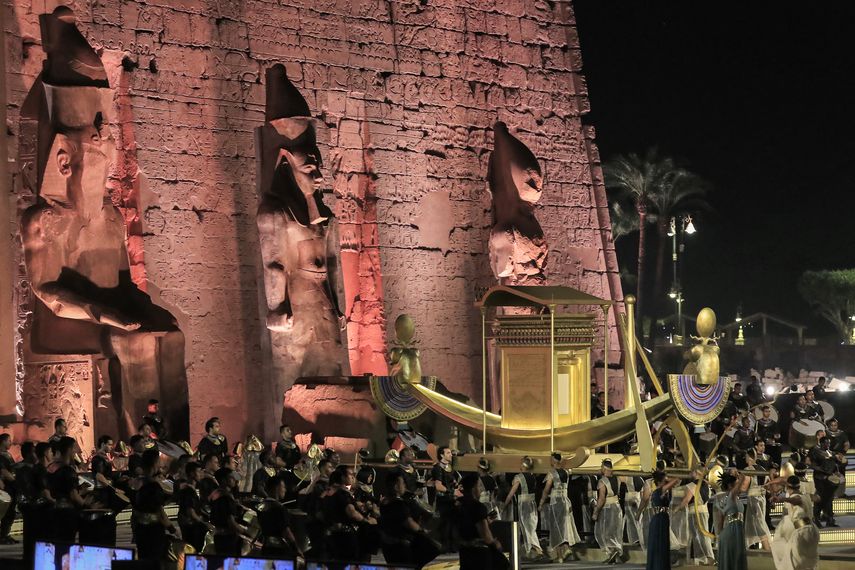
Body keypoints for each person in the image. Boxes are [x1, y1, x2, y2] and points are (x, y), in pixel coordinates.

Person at [379, 471, 440, 568]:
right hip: (401, 546)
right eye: (402, 483)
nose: (404, 485)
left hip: (387, 545)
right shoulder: (399, 504)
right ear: (396, 487)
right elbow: (409, 523)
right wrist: (423, 531)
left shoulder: (384, 502)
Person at [322, 465, 376, 563]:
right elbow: (352, 513)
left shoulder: (329, 492)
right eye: (350, 474)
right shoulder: (342, 494)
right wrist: (366, 521)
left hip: (332, 534)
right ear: (343, 477)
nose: (353, 477)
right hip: (345, 536)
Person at [457, 473, 509, 570]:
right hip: (479, 551)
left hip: (464, 550)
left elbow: (468, 523)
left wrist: (486, 519)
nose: (480, 489)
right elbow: (485, 535)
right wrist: (495, 544)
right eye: (479, 486)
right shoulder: (478, 507)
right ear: (473, 488)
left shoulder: (459, 504)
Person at [133, 448, 175, 561]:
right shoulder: (154, 486)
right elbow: (159, 510)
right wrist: (172, 528)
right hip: (153, 530)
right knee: (155, 559)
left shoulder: (136, 482)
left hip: (140, 527)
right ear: (155, 462)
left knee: (144, 559)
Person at [770, 476, 820, 570]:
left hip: (803, 532)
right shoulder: (806, 495)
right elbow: (817, 498)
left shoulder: (796, 497)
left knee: (794, 562)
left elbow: (797, 500)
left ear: (788, 488)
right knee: (806, 562)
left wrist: (783, 499)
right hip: (812, 531)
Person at [539, 452, 580, 563]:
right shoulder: (566, 473)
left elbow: (546, 489)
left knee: (556, 527)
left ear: (553, 460)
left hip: (556, 502)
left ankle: (560, 555)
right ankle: (565, 550)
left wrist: (541, 503)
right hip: (566, 500)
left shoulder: (552, 474)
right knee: (564, 526)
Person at [502, 456, 541, 560]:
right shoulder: (533, 476)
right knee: (531, 527)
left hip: (524, 504)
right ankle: (532, 550)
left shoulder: (519, 477)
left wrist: (505, 505)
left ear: (523, 465)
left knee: (527, 527)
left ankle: (537, 549)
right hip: (532, 503)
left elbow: (511, 493)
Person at [46, 436, 84, 542]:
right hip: (67, 513)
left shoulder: (51, 467)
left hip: (53, 510)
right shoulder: (68, 470)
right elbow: (73, 495)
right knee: (66, 544)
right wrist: (87, 506)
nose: (76, 452)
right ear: (69, 450)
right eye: (74, 449)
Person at [258, 476, 304, 559]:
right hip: (279, 550)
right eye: (283, 487)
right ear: (277, 488)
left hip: (265, 547)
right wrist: (296, 548)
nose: (285, 490)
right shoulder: (279, 508)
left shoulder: (261, 506)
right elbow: (286, 531)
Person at [645, 470, 680, 570]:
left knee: (663, 544)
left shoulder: (665, 492)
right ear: (660, 481)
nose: (666, 481)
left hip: (664, 519)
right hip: (658, 520)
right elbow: (675, 481)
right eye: (665, 480)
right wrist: (669, 478)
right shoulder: (658, 491)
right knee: (658, 544)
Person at [715, 470, 750, 570]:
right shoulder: (732, 495)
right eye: (735, 484)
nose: (739, 486)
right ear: (731, 486)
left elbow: (720, 521)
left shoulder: (725, 499)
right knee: (736, 558)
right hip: (733, 531)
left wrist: (720, 536)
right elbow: (742, 479)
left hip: (731, 532)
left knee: (733, 558)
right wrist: (738, 474)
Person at [177, 461, 212, 553]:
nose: (201, 474)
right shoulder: (188, 491)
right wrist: (205, 524)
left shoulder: (191, 489)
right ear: (192, 473)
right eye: (199, 471)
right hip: (192, 528)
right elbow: (191, 512)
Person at [593, 458, 623, 564]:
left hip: (607, 509)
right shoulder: (617, 479)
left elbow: (601, 498)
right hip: (617, 506)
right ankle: (615, 555)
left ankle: (611, 552)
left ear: (604, 468)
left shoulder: (602, 481)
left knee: (605, 531)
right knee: (615, 531)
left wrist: (596, 512)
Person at [682, 469, 714, 565]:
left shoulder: (692, 485)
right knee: (703, 535)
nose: (690, 473)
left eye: (692, 471)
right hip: (704, 511)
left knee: (696, 535)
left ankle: (708, 557)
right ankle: (702, 558)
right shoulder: (706, 485)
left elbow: (686, 500)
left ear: (696, 473)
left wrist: (676, 509)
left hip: (694, 512)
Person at [429, 446, 457, 552]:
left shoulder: (449, 467)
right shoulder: (438, 468)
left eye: (450, 452)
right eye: (448, 453)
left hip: (451, 499)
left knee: (451, 523)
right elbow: (438, 486)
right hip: (443, 500)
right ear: (442, 455)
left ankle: (452, 546)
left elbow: (452, 481)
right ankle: (444, 546)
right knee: (445, 523)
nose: (451, 454)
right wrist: (452, 491)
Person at [743, 449, 772, 550]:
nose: (745, 459)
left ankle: (767, 547)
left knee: (758, 523)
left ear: (750, 457)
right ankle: (753, 547)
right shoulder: (763, 469)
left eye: (746, 456)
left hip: (753, 499)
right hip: (762, 498)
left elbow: (744, 487)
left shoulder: (748, 469)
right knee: (757, 522)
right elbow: (768, 485)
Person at [807, 436, 838, 527]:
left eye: (829, 443)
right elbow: (810, 463)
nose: (828, 445)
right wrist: (821, 470)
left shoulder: (830, 452)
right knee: (820, 498)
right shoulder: (815, 452)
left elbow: (834, 463)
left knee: (829, 498)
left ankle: (830, 519)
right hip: (820, 478)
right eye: (826, 443)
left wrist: (836, 472)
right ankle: (816, 518)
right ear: (821, 443)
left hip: (830, 478)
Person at [0, 433, 18, 544]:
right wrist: (15, 480)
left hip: (12, 487)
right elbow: (3, 471)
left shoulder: (8, 454)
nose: (10, 442)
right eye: (9, 440)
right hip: (6, 487)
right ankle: (2, 536)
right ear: (3, 441)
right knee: (5, 512)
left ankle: (6, 534)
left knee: (11, 512)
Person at [622, 474, 646, 545]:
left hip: (634, 502)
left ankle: (636, 539)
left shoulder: (635, 479)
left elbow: (642, 494)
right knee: (632, 521)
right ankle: (635, 539)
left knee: (634, 520)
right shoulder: (640, 479)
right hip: (633, 502)